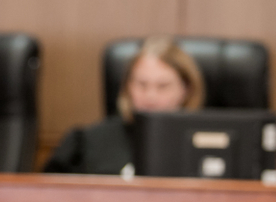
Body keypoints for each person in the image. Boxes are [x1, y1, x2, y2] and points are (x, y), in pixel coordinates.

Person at [43, 35, 205, 174]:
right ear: (128, 86)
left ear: (186, 90)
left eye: (163, 86)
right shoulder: (86, 142)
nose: (150, 96)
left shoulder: (202, 143)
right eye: (141, 84)